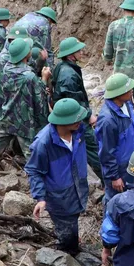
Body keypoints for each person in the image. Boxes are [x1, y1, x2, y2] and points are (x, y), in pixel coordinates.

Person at [26, 99, 91, 254]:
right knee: (67, 235)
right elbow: (33, 170)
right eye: (76, 119)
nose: (80, 121)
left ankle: (73, 241)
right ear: (63, 121)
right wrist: (40, 198)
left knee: (72, 222)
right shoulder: (43, 143)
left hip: (78, 189)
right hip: (59, 198)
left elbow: (94, 152)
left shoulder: (79, 130)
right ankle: (68, 257)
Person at [0, 39, 49, 166]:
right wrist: (44, 78)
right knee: (29, 150)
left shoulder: (7, 68)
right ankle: (35, 173)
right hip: (24, 120)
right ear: (25, 55)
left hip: (8, 112)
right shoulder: (29, 76)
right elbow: (40, 96)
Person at [51, 36, 102, 177]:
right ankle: (106, 181)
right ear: (71, 55)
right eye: (78, 51)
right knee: (93, 148)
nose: (81, 53)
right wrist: (88, 116)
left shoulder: (63, 67)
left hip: (71, 115)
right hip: (76, 118)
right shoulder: (68, 76)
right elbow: (73, 103)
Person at [95, 73, 134, 202]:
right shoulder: (107, 120)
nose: (132, 90)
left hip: (132, 165)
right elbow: (106, 152)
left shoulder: (127, 104)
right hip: (119, 171)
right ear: (119, 94)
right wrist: (114, 177)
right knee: (114, 202)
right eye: (128, 88)